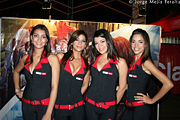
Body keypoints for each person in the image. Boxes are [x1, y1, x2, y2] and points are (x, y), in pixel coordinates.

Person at [121, 28, 174, 120]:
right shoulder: (132, 61)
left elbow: (168, 84)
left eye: (140, 42)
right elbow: (131, 85)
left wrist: (152, 100)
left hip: (141, 110)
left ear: (145, 44)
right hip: (128, 108)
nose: (136, 45)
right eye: (133, 42)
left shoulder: (146, 63)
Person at [13, 24, 60, 120]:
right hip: (26, 106)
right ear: (31, 38)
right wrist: (17, 90)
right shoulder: (26, 58)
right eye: (36, 36)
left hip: (44, 107)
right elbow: (16, 72)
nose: (39, 40)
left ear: (47, 40)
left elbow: (55, 87)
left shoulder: (52, 59)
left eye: (43, 37)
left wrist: (48, 113)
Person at [85, 29, 128, 120]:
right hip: (90, 105)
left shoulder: (120, 62)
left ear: (108, 41)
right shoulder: (93, 60)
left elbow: (123, 87)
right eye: (96, 43)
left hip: (108, 108)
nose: (99, 46)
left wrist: (112, 105)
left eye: (102, 41)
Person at [54, 30, 90, 120]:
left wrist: (76, 95)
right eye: (77, 40)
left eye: (83, 41)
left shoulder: (87, 63)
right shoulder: (60, 57)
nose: (79, 43)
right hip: (59, 108)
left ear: (85, 44)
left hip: (78, 110)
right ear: (72, 42)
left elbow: (85, 84)